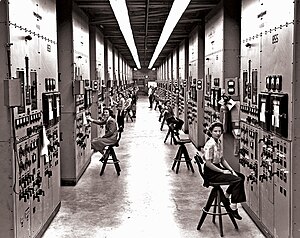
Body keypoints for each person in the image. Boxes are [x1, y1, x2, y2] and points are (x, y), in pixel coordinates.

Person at [202, 121, 246, 220]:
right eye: (215, 131)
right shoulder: (210, 145)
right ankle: (233, 207)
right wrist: (222, 171)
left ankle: (226, 196)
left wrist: (230, 170)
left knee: (240, 176)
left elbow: (222, 159)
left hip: (217, 168)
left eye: (219, 131)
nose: (218, 133)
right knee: (237, 180)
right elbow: (208, 164)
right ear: (211, 132)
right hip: (211, 173)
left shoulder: (218, 143)